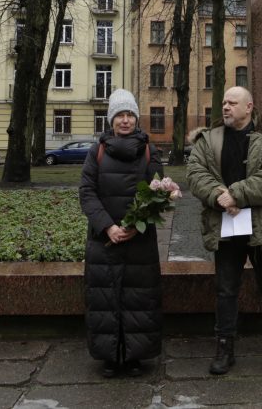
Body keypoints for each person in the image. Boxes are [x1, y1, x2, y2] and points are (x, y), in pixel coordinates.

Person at [187, 86, 262, 377]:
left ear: (249, 107)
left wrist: (235, 194)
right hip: (226, 225)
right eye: (223, 102)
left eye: (233, 103)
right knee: (225, 290)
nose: (225, 107)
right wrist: (219, 196)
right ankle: (224, 349)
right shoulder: (208, 140)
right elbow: (195, 174)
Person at [79, 89, 163, 378]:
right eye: (120, 115)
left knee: (139, 298)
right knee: (105, 298)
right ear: (111, 120)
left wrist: (135, 223)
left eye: (130, 115)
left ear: (136, 119)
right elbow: (87, 193)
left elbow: (158, 192)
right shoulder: (96, 152)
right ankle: (110, 357)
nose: (125, 121)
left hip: (139, 239)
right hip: (104, 238)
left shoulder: (150, 151)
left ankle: (135, 356)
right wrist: (109, 226)